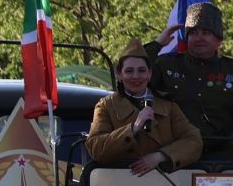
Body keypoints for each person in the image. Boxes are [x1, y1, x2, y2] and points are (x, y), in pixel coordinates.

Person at [153, 2, 233, 160]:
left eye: (206, 33)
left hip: (219, 156)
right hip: (174, 156)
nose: (199, 38)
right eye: (193, 33)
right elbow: (130, 77)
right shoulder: (166, 65)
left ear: (218, 40)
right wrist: (156, 45)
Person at [86, 40, 203, 175]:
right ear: (119, 74)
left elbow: (194, 141)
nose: (136, 76)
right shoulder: (106, 106)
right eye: (129, 71)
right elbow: (96, 149)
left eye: (141, 71)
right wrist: (133, 129)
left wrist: (160, 156)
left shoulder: (168, 106)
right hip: (119, 183)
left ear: (149, 74)